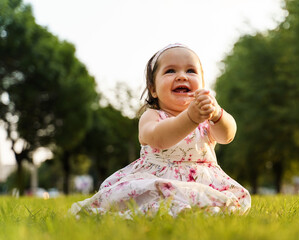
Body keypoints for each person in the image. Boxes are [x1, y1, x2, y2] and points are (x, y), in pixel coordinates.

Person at [70, 43, 251, 217]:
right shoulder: (152, 116)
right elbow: (159, 139)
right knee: (150, 201)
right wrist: (190, 118)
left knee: (219, 203)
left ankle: (192, 213)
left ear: (203, 84)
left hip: (201, 182)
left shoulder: (206, 120)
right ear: (153, 90)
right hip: (158, 180)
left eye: (191, 70)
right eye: (170, 71)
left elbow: (227, 136)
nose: (182, 76)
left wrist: (218, 114)